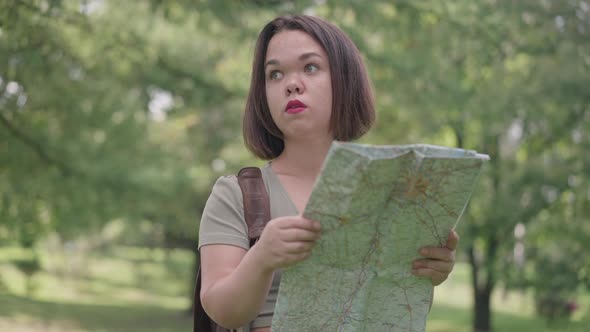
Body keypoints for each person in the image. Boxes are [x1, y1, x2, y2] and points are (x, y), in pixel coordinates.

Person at [198, 14, 459, 331]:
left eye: (310, 67)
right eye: (275, 74)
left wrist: (428, 272)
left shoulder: (392, 191)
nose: (291, 84)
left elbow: (395, 310)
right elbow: (221, 310)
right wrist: (262, 258)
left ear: (345, 79)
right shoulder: (237, 194)